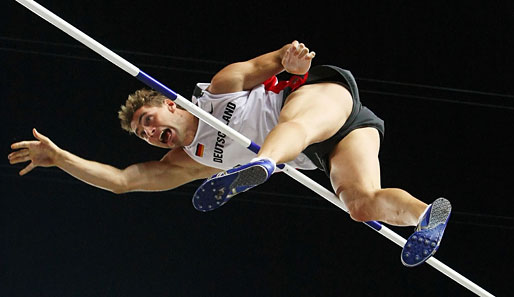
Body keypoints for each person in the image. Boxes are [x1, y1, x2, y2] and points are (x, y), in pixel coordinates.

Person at [8, 40, 450, 267]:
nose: (149, 133)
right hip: (333, 145)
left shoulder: (220, 90)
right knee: (360, 205)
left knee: (290, 128)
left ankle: (262, 164)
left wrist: (292, 60)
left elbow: (278, 60)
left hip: (320, 100)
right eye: (143, 135)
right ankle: (427, 215)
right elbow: (123, 182)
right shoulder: (188, 161)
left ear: (170, 104)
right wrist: (61, 158)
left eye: (147, 119)